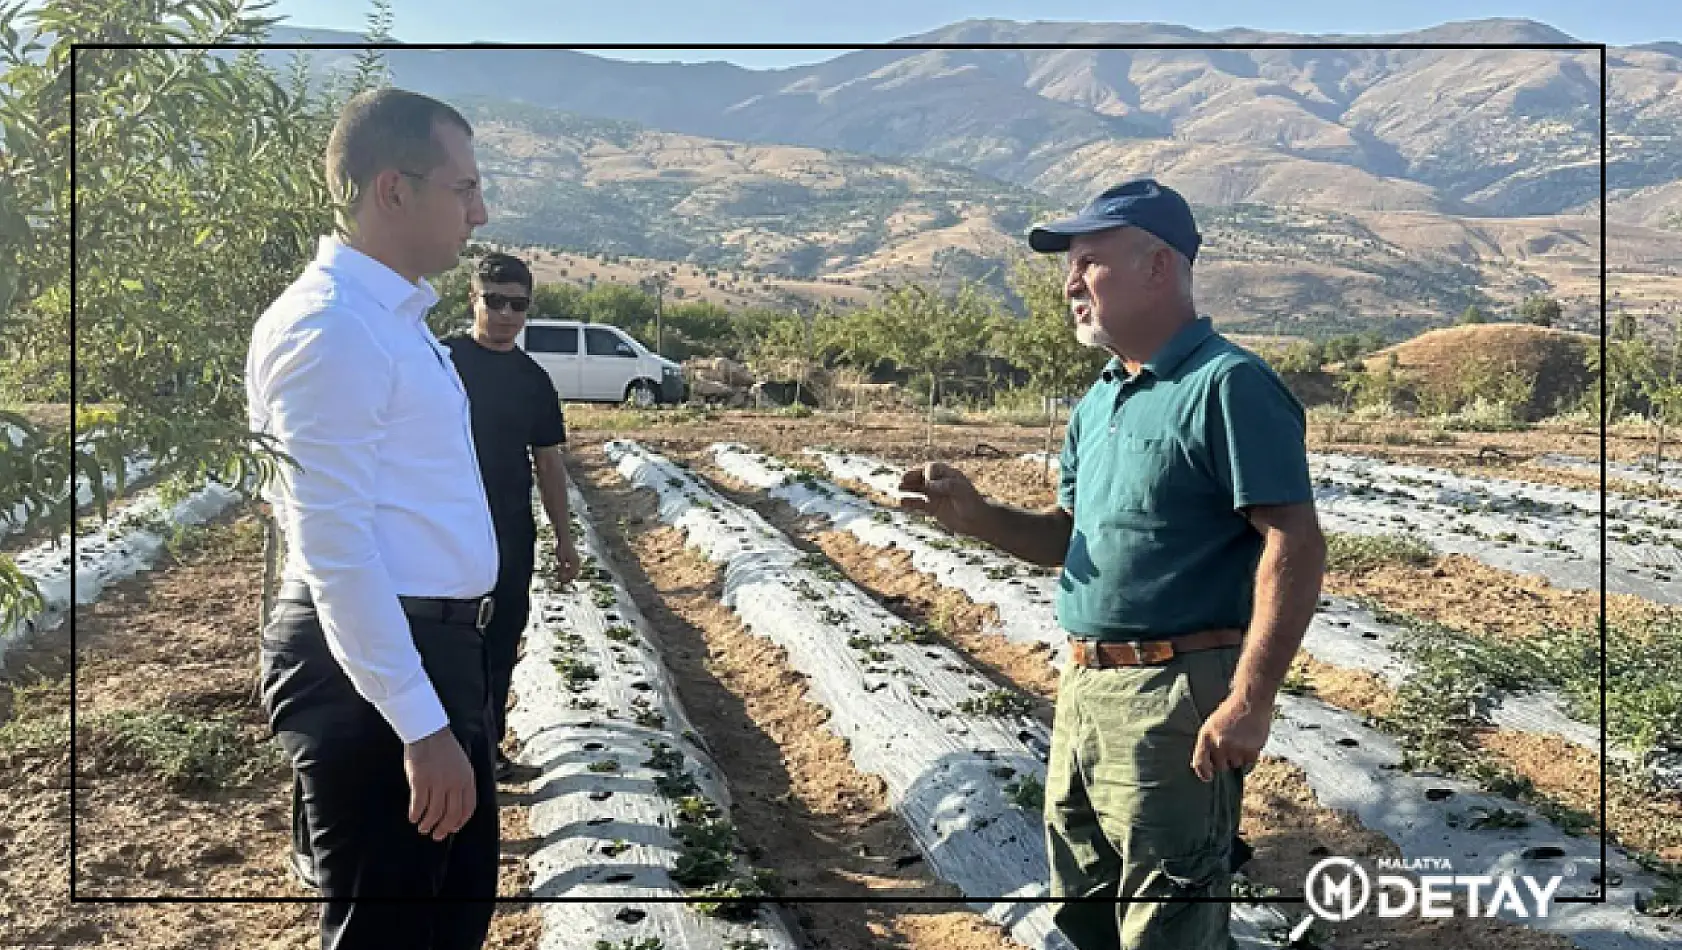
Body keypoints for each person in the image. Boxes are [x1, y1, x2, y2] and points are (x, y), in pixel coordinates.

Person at [898, 178, 1325, 950]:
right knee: (1084, 905)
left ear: (1158, 267)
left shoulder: (1227, 385)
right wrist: (976, 516)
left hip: (1175, 699)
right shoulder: (1100, 399)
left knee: (1170, 918)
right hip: (1086, 690)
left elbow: (1294, 540)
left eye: (1089, 262)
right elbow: (1068, 538)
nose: (1070, 283)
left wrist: (1251, 699)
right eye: (1071, 266)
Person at [246, 87, 501, 950]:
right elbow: (334, 546)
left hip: (422, 654)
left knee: (446, 922)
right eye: (462, 189)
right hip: (375, 669)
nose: (480, 211)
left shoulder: (388, 320)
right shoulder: (334, 330)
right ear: (393, 189)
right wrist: (420, 724)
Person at [442, 252, 581, 781]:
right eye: (493, 301)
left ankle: (487, 754)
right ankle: (444, 754)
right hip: (444, 529)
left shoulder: (533, 381)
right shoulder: (441, 362)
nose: (504, 315)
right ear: (472, 301)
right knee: (447, 643)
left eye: (516, 304)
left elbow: (548, 461)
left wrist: (563, 537)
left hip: (508, 533)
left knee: (501, 640)